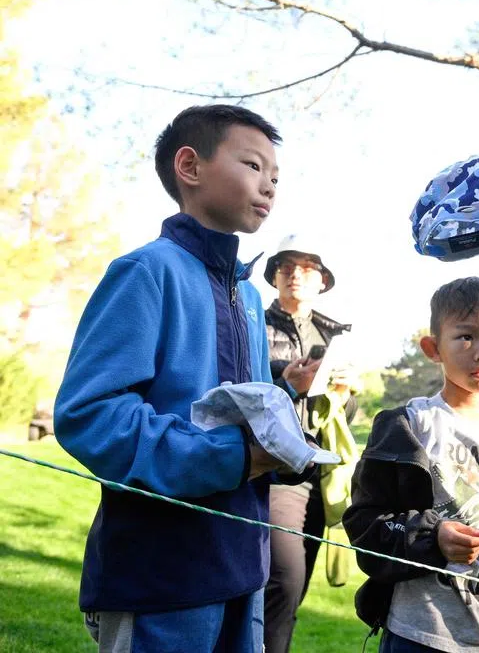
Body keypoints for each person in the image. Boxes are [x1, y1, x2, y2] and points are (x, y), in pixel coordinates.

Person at [53, 104, 300, 652]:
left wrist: (282, 448)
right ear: (190, 167)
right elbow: (89, 415)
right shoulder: (147, 272)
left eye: (277, 176)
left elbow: (253, 414)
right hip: (159, 576)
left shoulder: (252, 296)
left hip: (242, 569)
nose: (270, 186)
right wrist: (228, 457)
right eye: (254, 166)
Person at [344, 277, 479, 653]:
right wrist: (432, 539)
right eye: (465, 337)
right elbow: (365, 526)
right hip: (417, 634)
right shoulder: (406, 426)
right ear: (433, 348)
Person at [262, 233, 356, 653]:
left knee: (291, 591)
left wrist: (343, 395)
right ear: (275, 277)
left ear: (322, 280)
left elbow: (345, 414)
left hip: (321, 475)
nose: (294, 275)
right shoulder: (252, 324)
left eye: (306, 267)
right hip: (273, 469)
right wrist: (286, 381)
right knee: (285, 579)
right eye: (286, 266)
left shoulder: (337, 336)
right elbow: (238, 392)